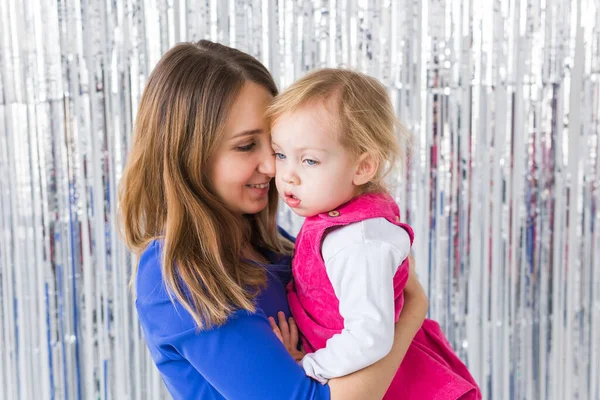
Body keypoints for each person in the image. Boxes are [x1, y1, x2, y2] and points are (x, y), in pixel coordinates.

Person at [118, 40, 429, 400]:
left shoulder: (273, 244)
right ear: (188, 156)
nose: (273, 167)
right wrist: (410, 315)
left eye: (275, 145)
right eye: (247, 146)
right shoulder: (177, 274)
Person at [267, 68, 482, 399]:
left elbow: (369, 337)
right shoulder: (337, 217)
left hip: (396, 386)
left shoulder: (357, 241)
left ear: (362, 167)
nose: (288, 176)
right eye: (281, 154)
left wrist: (310, 366)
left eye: (309, 160)